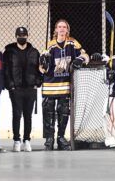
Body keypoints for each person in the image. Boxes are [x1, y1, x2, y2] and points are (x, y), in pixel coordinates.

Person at [40, 19, 89, 151]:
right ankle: (49, 138)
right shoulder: (49, 46)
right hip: (50, 85)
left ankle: (61, 137)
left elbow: (85, 55)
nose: (61, 29)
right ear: (55, 30)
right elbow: (42, 69)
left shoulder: (73, 43)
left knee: (64, 112)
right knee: (48, 112)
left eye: (64, 27)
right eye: (59, 27)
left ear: (67, 30)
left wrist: (80, 59)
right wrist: (43, 63)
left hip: (65, 85)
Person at [3, 27, 42, 152]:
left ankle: (27, 140)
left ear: (27, 36)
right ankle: (16, 140)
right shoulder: (9, 52)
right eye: (20, 35)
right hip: (16, 89)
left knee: (28, 115)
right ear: (16, 36)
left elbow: (39, 69)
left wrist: (37, 83)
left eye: (24, 35)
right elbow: (6, 70)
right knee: (16, 114)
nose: (22, 37)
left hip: (30, 88)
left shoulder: (34, 52)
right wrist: (11, 85)